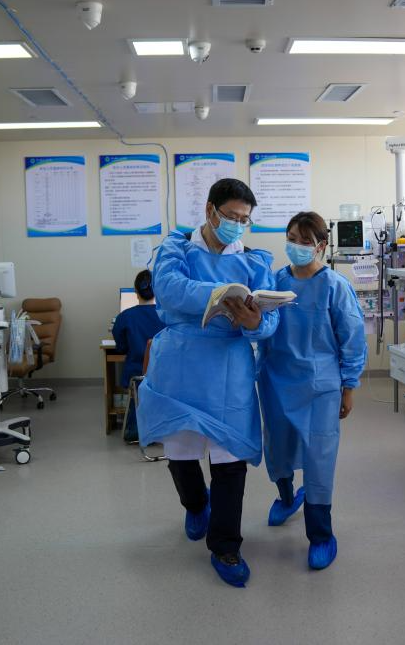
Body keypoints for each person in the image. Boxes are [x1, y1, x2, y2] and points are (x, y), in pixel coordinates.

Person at [136, 178, 278, 588]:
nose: (237, 225)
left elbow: (269, 322)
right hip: (180, 364)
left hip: (229, 368)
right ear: (210, 211)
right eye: (231, 216)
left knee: (229, 460)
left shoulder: (253, 262)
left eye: (244, 219)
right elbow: (169, 289)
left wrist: (255, 321)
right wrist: (221, 294)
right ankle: (196, 505)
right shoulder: (176, 248)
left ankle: (226, 546)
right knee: (181, 455)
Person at [257, 211, 367, 570]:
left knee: (319, 457)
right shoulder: (274, 283)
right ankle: (287, 497)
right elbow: (262, 329)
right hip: (276, 380)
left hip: (320, 385)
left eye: (305, 241)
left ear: (321, 245)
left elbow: (352, 338)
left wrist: (349, 386)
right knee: (279, 447)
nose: (297, 246)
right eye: (292, 239)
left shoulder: (334, 286)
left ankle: (321, 535)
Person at [112, 269, 165, 443]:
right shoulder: (168, 316)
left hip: (137, 376)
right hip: (166, 376)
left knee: (137, 388)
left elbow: (121, 348)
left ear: (136, 291)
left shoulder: (124, 317)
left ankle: (135, 429)